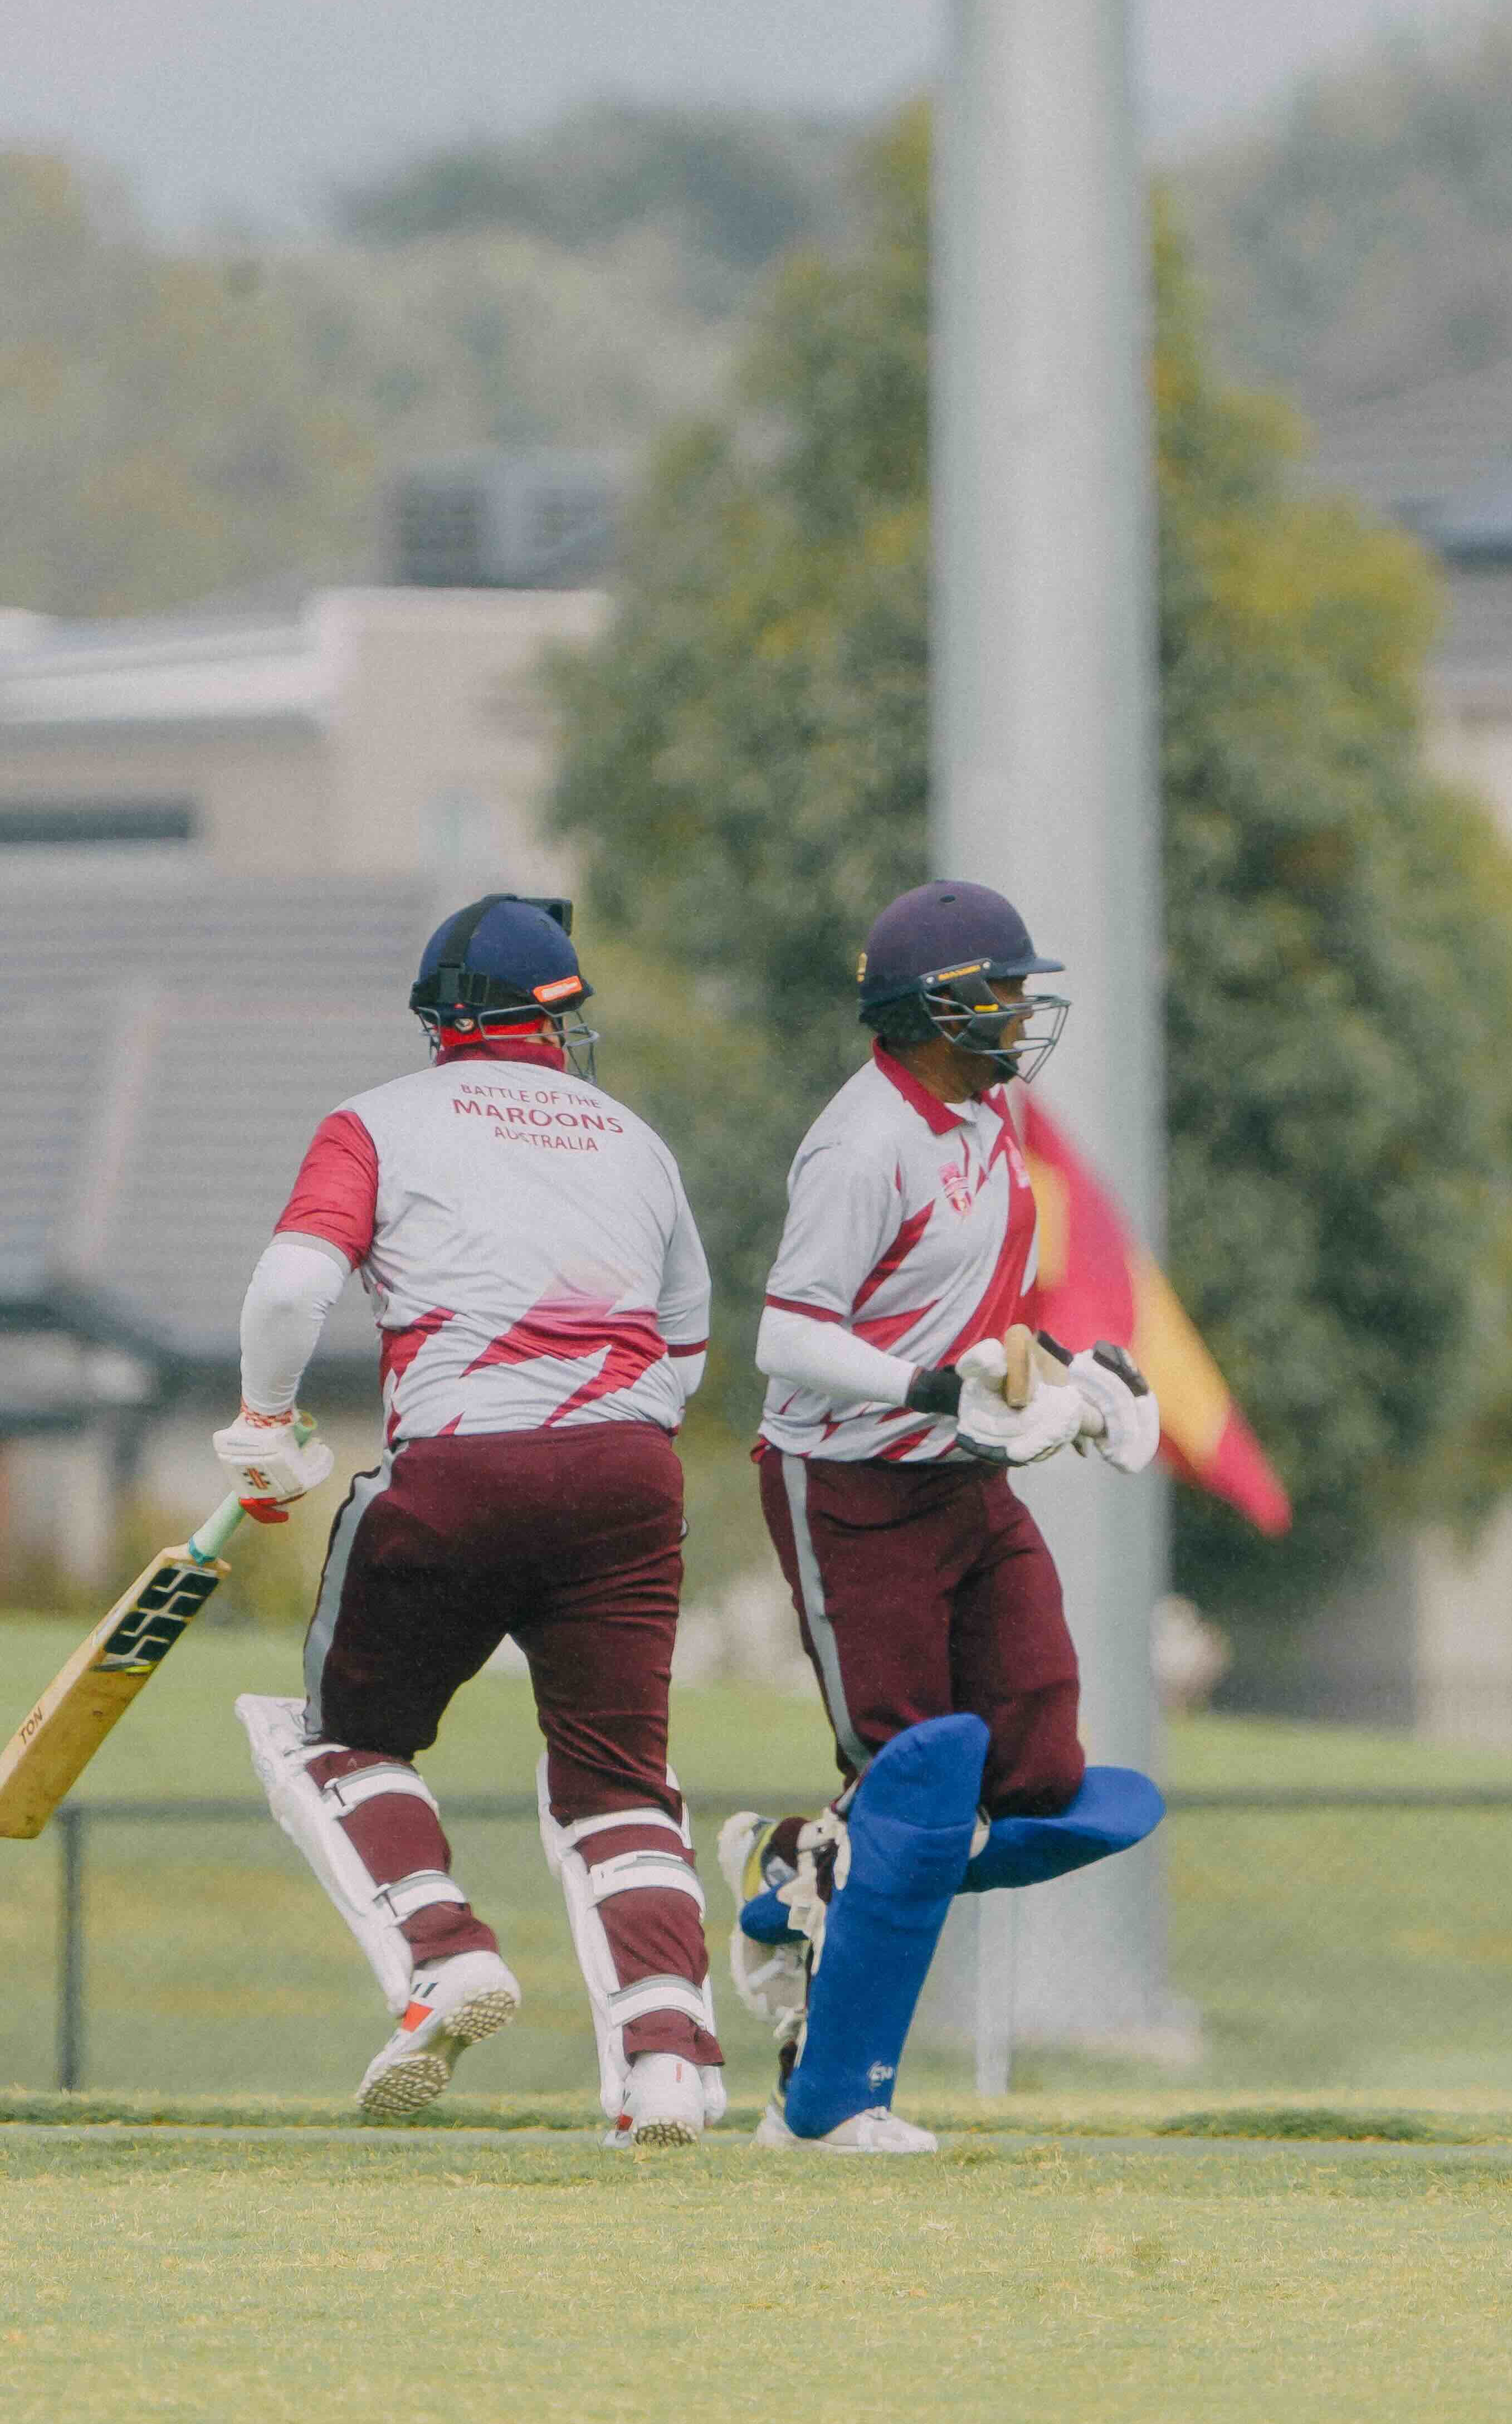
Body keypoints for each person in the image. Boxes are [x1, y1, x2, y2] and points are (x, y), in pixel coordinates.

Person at [225, 893, 726, 2149]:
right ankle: (668, 2067)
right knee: (621, 1786)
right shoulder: (637, 1140)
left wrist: (264, 1423)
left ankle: (442, 1955)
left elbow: (291, 1284)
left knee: (337, 1740)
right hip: (632, 1476)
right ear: (555, 1021)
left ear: (438, 1020)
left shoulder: (377, 1121)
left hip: (459, 1470)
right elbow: (686, 1349)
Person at [722, 879, 1165, 2155]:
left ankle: (803, 1867)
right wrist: (928, 1391)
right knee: (915, 1787)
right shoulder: (861, 1144)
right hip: (848, 1485)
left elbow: (976, 1317)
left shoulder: (989, 1113)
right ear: (935, 1007)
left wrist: (1075, 1380)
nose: (1024, 1013)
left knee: (1047, 1781)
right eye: (1004, 991)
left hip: (964, 1477)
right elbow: (787, 1335)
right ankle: (829, 2106)